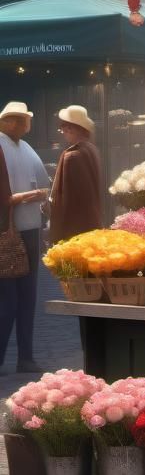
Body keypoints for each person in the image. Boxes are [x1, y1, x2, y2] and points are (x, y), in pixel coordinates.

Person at [0, 102, 50, 374]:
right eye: (21, 120)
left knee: (25, 298)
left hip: (28, 228)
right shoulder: (6, 146)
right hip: (8, 232)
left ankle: (26, 356)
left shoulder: (24, 147)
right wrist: (30, 196)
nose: (24, 125)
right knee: (9, 300)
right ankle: (17, 357)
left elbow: (43, 182)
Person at [48, 105, 102, 245]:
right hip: (91, 224)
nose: (63, 132)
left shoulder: (72, 155)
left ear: (70, 129)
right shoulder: (91, 149)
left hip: (74, 231)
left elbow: (67, 199)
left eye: (63, 128)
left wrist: (59, 233)